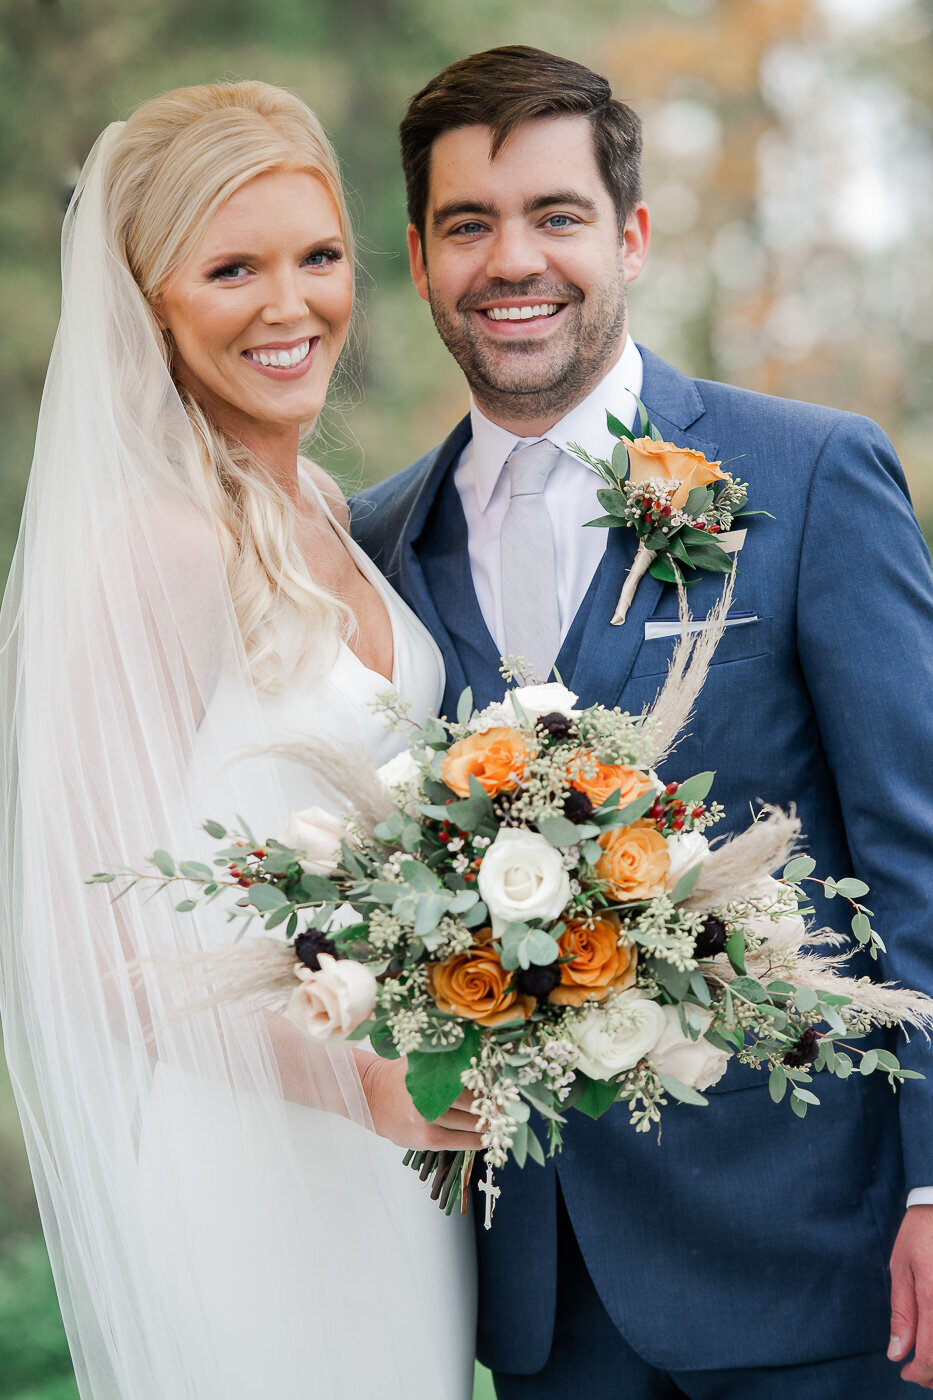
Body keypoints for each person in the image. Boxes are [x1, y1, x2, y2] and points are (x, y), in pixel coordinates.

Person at [350, 45, 933, 1399]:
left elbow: (916, 848)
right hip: (536, 1297)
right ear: (423, 255)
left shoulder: (803, 473)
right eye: (466, 225)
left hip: (816, 1272)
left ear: (630, 235)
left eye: (555, 216)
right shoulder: (374, 540)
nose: (513, 261)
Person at [0, 81, 480, 1399]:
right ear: (150, 302)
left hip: (390, 1173)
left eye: (316, 256)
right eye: (231, 269)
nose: (291, 306)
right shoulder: (149, 554)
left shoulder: (330, 510)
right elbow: (87, 948)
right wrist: (360, 1084)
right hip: (252, 1165)